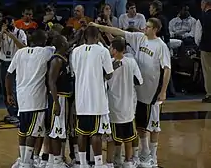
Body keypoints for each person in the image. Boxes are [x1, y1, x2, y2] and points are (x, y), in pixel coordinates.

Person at [90, 17, 171, 168]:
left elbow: (167, 69)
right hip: (136, 93)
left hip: (152, 92)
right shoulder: (140, 38)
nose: (144, 29)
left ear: (155, 29)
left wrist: (164, 91)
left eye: (147, 27)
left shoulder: (161, 46)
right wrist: (99, 26)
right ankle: (139, 154)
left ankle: (151, 156)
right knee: (138, 126)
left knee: (152, 125)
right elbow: (119, 32)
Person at [5, 29, 55, 168]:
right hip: (37, 100)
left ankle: (22, 160)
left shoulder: (20, 53)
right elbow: (62, 45)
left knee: (23, 131)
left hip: (22, 98)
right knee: (33, 134)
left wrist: (9, 94)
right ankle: (26, 162)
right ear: (44, 41)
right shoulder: (46, 51)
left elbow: (8, 75)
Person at [70, 26, 114, 168]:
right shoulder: (103, 51)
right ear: (98, 36)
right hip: (97, 99)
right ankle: (98, 164)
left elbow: (76, 71)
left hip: (81, 98)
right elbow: (109, 74)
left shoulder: (75, 51)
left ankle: (82, 163)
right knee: (96, 133)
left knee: (82, 133)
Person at [106, 36, 143, 168]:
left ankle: (110, 162)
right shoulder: (131, 62)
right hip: (128, 106)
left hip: (113, 107)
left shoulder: (109, 63)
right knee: (129, 137)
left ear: (114, 50)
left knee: (111, 139)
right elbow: (139, 81)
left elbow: (103, 81)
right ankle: (128, 161)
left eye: (110, 47)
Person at [0, 16, 27, 124]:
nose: (11, 26)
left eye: (12, 23)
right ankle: (11, 112)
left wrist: (13, 37)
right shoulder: (1, 33)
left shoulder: (20, 33)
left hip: (16, 63)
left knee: (13, 89)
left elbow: (24, 48)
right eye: (8, 24)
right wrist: (1, 33)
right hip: (4, 63)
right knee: (5, 89)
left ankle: (17, 113)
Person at [47, 35, 72, 168]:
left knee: (60, 130)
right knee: (56, 131)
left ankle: (54, 160)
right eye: (66, 40)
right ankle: (56, 162)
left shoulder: (62, 56)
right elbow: (51, 82)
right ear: (62, 43)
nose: (68, 42)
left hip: (64, 97)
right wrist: (56, 102)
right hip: (59, 97)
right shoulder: (56, 60)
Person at [195, 0, 211, 103]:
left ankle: (210, 94)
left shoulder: (201, 18)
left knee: (208, 71)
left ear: (205, 4)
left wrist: (199, 45)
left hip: (206, 47)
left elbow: (198, 37)